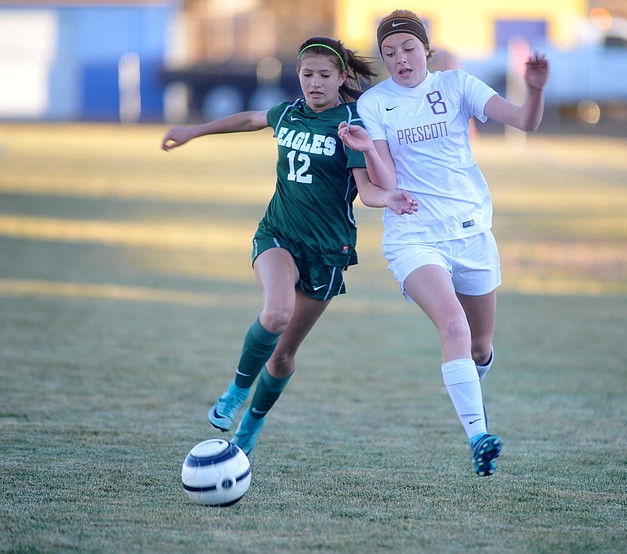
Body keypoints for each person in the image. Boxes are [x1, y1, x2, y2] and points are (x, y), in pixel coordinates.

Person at [161, 36, 417, 459]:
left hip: (327, 252)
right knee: (276, 312)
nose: (314, 83)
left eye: (324, 76)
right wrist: (194, 131)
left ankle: (252, 424)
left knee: (281, 359)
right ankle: (236, 391)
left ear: (341, 77)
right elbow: (249, 120)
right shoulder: (288, 114)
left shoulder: (351, 124)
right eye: (306, 75)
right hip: (278, 234)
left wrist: (389, 198)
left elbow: (368, 190)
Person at [338, 10, 548, 476]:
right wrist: (370, 150)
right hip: (414, 236)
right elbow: (386, 180)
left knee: (480, 347)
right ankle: (478, 437)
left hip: (471, 231)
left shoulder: (456, 85)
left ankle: (476, 405)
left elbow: (524, 121)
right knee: (453, 325)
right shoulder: (373, 104)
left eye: (408, 49)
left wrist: (533, 90)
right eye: (390, 53)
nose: (400, 59)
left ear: (425, 50)